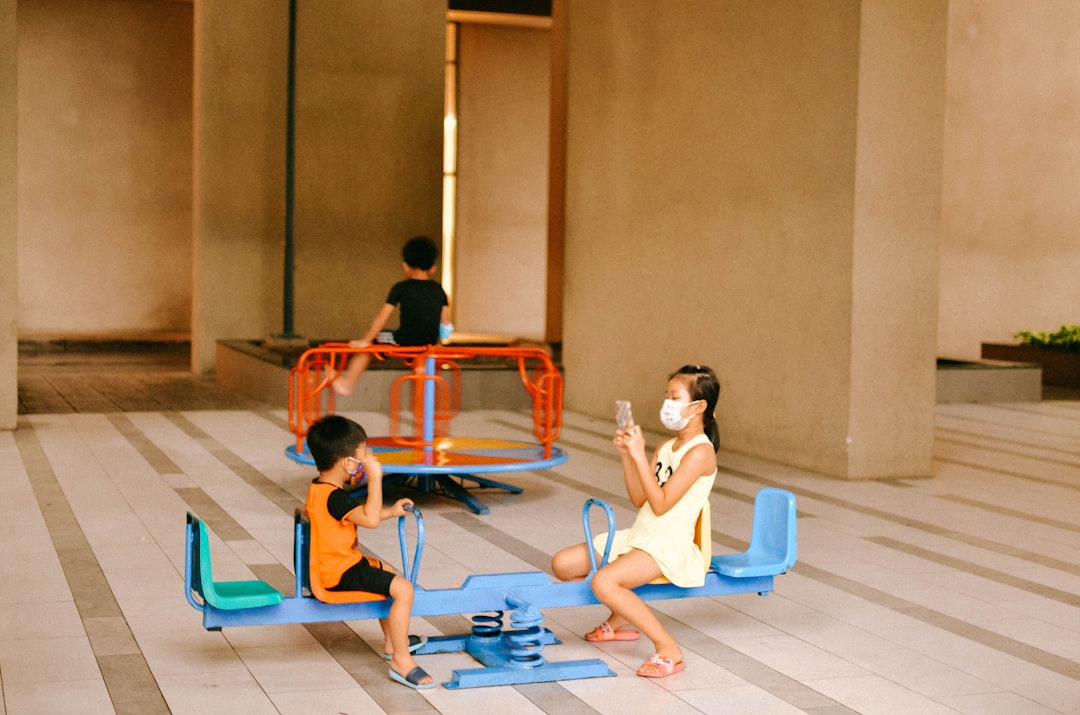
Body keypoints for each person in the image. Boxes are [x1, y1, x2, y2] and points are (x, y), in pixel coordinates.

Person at [550, 365, 720, 679]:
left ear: (698, 406)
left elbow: (662, 503)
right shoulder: (667, 447)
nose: (667, 403)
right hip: (641, 535)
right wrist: (629, 456)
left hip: (668, 545)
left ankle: (668, 647)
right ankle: (620, 616)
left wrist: (639, 454)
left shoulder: (700, 453)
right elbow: (640, 498)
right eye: (666, 396)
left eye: (674, 397)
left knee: (604, 581)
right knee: (563, 564)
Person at [304, 414, 434, 689]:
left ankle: (392, 642)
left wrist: (391, 511)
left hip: (336, 565)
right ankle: (401, 659)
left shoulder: (321, 489)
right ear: (347, 463)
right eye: (364, 455)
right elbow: (370, 521)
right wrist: (375, 478)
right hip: (339, 574)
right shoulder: (335, 497)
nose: (368, 461)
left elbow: (364, 515)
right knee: (404, 590)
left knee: (385, 571)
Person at [333, 236, 451, 396]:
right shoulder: (439, 290)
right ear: (433, 268)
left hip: (404, 341)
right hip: (428, 343)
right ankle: (422, 401)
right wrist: (438, 342)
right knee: (422, 360)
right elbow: (445, 324)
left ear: (405, 266)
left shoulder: (401, 288)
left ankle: (347, 383)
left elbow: (382, 318)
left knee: (371, 345)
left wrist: (365, 341)